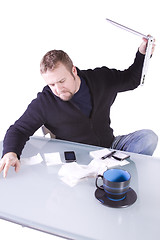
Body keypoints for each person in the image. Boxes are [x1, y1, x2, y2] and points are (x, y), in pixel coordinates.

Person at [0, 38, 158, 178]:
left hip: (110, 147)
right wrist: (10, 153)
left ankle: (114, 172)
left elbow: (131, 79)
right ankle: (111, 172)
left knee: (148, 138)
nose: (57, 89)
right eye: (51, 84)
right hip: (80, 159)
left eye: (62, 81)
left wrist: (142, 54)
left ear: (73, 71)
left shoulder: (101, 78)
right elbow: (19, 129)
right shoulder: (45, 102)